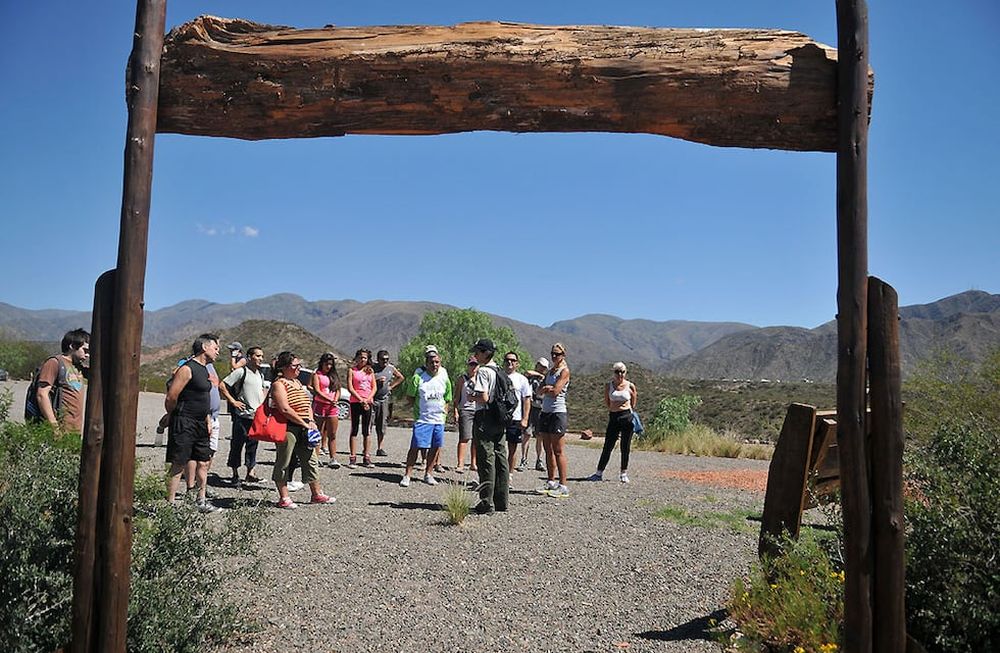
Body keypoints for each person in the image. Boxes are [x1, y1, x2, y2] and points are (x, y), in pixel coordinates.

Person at [270, 351, 335, 509]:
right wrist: (303, 423)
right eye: (295, 366)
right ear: (285, 367)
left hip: (305, 425)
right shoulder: (279, 384)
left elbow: (307, 405)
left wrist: (311, 421)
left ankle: (316, 493)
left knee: (310, 459)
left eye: (299, 365)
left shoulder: (298, 383)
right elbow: (284, 409)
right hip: (287, 426)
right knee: (284, 460)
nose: (298, 368)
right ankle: (284, 497)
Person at [164, 333, 221, 513]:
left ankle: (200, 500)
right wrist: (173, 415)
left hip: (201, 422)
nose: (217, 352)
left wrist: (207, 420)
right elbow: (172, 396)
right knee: (179, 462)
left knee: (204, 462)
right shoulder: (187, 369)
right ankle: (170, 504)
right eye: (215, 348)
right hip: (184, 421)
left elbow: (203, 398)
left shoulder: (206, 369)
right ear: (205, 347)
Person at [400, 348, 452, 487]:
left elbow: (447, 398)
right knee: (416, 447)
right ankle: (407, 475)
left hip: (438, 420)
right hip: (423, 419)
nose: (434, 364)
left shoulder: (444, 378)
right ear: (426, 363)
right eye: (432, 362)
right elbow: (410, 397)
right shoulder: (418, 378)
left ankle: (428, 474)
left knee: (435, 447)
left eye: (437, 362)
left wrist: (444, 414)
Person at [470, 338, 508, 514]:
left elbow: (484, 397)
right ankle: (502, 501)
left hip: (484, 416)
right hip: (499, 417)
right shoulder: (499, 370)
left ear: (485, 353)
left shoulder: (484, 371)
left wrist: (471, 397)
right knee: (501, 457)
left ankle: (487, 502)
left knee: (486, 459)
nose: (475, 354)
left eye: (478, 351)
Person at [219, 346, 267, 484]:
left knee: (253, 445)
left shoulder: (260, 374)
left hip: (255, 417)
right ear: (250, 356)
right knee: (237, 445)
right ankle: (234, 474)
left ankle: (250, 473)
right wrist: (233, 401)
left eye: (262, 356)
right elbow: (222, 385)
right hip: (242, 416)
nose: (260, 359)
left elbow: (262, 390)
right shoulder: (241, 372)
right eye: (258, 356)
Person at [27, 328, 90, 433]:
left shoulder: (78, 367)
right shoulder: (54, 363)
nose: (87, 355)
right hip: (57, 431)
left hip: (74, 431)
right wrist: (54, 427)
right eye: (85, 350)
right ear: (72, 346)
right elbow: (42, 395)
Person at [589, 362, 638, 484]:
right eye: (617, 372)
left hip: (626, 417)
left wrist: (626, 410)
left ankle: (623, 473)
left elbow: (633, 402)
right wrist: (614, 409)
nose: (620, 374)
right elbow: (607, 401)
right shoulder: (608, 386)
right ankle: (599, 472)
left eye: (622, 372)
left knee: (625, 446)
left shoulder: (630, 386)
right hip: (614, 417)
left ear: (625, 373)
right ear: (613, 373)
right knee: (608, 445)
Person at [536, 343, 571, 499]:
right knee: (547, 448)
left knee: (558, 450)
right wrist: (546, 389)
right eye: (552, 354)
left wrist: (547, 389)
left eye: (557, 354)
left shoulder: (564, 371)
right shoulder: (551, 371)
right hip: (545, 412)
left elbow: (556, 391)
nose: (554, 357)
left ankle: (563, 485)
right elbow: (538, 391)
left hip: (558, 413)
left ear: (563, 355)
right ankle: (551, 481)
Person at [501, 352, 533, 478]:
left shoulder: (522, 379)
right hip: (499, 418)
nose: (510, 362)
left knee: (512, 448)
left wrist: (525, 418)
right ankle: (498, 474)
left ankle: (509, 474)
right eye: (507, 360)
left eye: (513, 360)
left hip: (515, 418)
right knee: (497, 447)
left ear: (517, 364)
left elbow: (527, 400)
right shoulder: (498, 376)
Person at [310, 352, 342, 468]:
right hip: (320, 405)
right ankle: (316, 457)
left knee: (332, 433)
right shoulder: (316, 375)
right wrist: (328, 398)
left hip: (332, 407)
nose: (328, 367)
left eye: (330, 364)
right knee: (317, 433)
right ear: (321, 364)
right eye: (326, 364)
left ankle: (333, 458)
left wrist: (335, 399)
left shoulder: (334, 376)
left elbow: (338, 389)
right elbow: (317, 390)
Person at [347, 348, 376, 468]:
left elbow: (374, 387)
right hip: (355, 401)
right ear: (356, 358)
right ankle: (353, 457)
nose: (362, 359)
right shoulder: (352, 370)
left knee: (366, 430)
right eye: (360, 357)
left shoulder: (370, 371)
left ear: (367, 359)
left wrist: (368, 399)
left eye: (364, 357)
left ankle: (366, 456)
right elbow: (350, 387)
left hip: (368, 402)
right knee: (354, 429)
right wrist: (360, 399)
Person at [372, 349, 404, 457]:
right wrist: (376, 381)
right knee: (369, 424)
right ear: (378, 359)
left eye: (386, 359)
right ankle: (365, 448)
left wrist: (391, 386)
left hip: (384, 399)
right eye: (382, 359)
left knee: (382, 424)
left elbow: (400, 377)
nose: (385, 362)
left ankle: (380, 448)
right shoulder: (372, 368)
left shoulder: (391, 368)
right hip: (372, 399)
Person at [523, 357, 549, 471]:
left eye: (544, 367)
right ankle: (524, 459)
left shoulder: (546, 379)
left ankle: (539, 460)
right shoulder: (531, 377)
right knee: (527, 434)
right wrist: (539, 375)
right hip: (531, 407)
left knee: (539, 436)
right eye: (541, 366)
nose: (542, 369)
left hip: (541, 409)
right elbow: (527, 372)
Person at [452, 357, 479, 473]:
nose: (473, 367)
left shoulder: (481, 379)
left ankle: (474, 463)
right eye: (471, 365)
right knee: (464, 437)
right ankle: (460, 463)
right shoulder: (462, 379)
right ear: (468, 366)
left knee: (476, 438)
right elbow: (457, 397)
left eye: (475, 365)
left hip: (478, 410)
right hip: (465, 409)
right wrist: (455, 410)